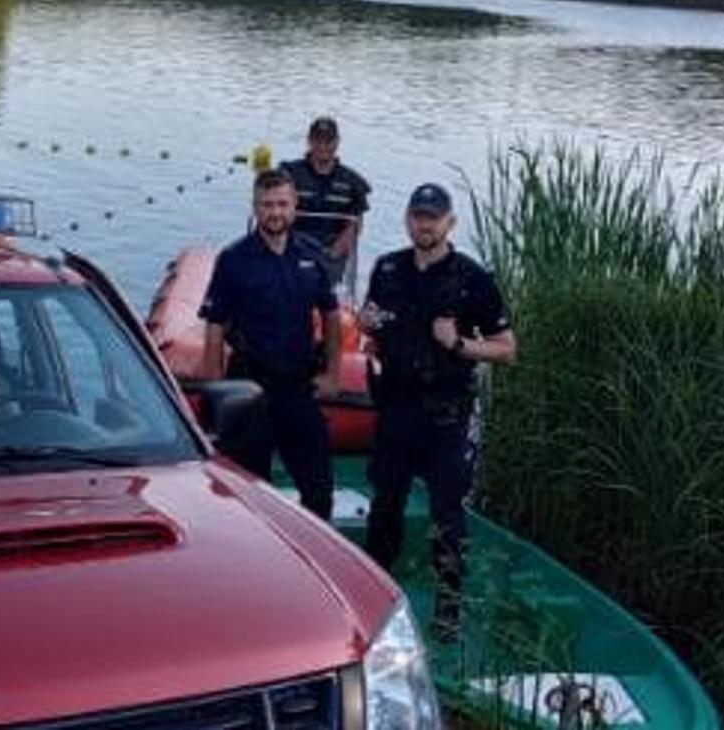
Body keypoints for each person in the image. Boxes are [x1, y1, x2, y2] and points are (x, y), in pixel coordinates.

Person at [360, 183, 517, 639]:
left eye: (434, 217)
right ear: (408, 219)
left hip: (445, 417)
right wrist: (367, 324)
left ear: (450, 223)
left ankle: (448, 612)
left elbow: (507, 350)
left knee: (447, 514)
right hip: (394, 410)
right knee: (384, 507)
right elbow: (372, 327)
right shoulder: (387, 268)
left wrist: (461, 343)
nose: (424, 224)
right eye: (417, 215)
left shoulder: (472, 278)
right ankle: (373, 603)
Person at [200, 168, 344, 521]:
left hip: (298, 387)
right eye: (267, 205)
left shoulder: (313, 255)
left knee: (319, 491)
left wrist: (333, 373)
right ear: (255, 207)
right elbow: (215, 328)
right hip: (250, 388)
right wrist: (216, 392)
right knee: (249, 496)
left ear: (295, 205)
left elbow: (331, 314)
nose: (275, 212)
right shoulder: (234, 260)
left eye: (282, 204)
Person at [279, 116, 372, 289]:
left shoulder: (353, 183)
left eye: (328, 141)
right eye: (317, 140)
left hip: (332, 252)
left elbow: (355, 225)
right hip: (292, 247)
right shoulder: (288, 173)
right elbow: (276, 210)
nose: (322, 146)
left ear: (337, 142)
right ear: (309, 141)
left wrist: (333, 253)